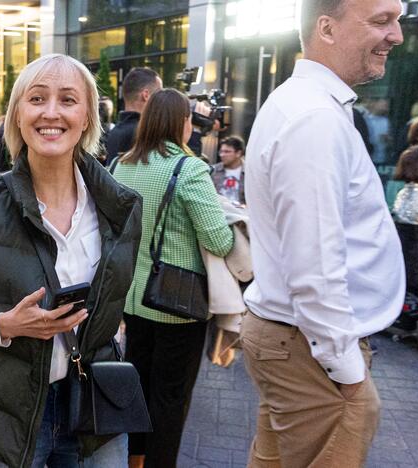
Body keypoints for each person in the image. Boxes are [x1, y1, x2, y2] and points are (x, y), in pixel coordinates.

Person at [0, 54, 141, 468]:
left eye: (68, 100)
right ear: (17, 115)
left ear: (86, 117)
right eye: (37, 98)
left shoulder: (118, 205)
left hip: (92, 400)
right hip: (4, 404)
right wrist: (5, 325)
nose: (52, 112)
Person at [242, 1, 405, 466]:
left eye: (397, 20)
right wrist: (350, 376)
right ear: (327, 29)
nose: (396, 36)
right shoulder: (314, 117)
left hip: (298, 342)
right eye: (380, 21)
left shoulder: (307, 106)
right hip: (310, 350)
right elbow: (314, 264)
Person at [112, 88, 234, 468]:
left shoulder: (121, 164)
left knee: (139, 388)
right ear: (182, 123)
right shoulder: (189, 168)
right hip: (177, 303)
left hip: (132, 298)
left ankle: (134, 461)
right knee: (170, 398)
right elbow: (219, 239)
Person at [103, 67, 162, 165]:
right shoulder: (147, 133)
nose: (162, 99)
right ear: (146, 95)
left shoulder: (114, 133)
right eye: (159, 93)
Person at [210, 136, 246, 205]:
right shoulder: (213, 170)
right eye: (221, 151)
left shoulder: (249, 172)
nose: (222, 155)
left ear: (238, 153)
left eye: (227, 152)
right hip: (218, 210)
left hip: (242, 213)